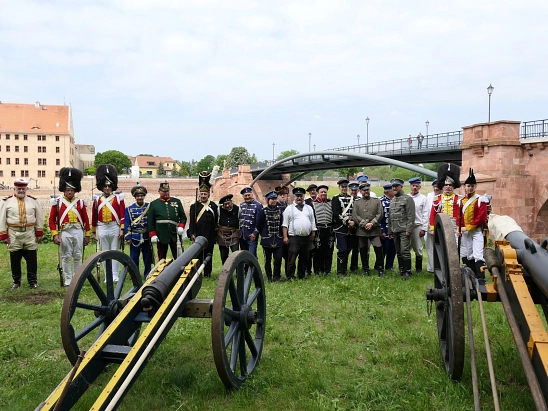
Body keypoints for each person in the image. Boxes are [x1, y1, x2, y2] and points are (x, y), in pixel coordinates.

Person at [49, 168, 90, 286]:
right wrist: (55, 234)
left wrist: (87, 235)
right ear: (64, 191)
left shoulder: (80, 202)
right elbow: (52, 220)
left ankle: (76, 278)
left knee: (77, 255)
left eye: (72, 190)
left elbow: (86, 220)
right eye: (68, 190)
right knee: (66, 255)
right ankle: (68, 278)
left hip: (78, 230)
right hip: (65, 231)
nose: (70, 192)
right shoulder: (57, 202)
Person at [0, 178, 44, 289]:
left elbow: (39, 218)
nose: (21, 191)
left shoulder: (33, 201)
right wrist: (3, 235)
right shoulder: (6, 202)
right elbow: (2, 219)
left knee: (32, 259)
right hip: (14, 234)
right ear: (14, 189)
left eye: (23, 189)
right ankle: (16, 282)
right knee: (15, 259)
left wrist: (39, 232)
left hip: (29, 234)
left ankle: (33, 281)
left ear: (26, 189)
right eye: (18, 188)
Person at [92, 165, 125, 282]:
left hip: (114, 226)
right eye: (105, 186)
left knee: (115, 251)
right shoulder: (97, 200)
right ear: (102, 187)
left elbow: (122, 215)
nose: (107, 188)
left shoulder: (118, 198)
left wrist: (122, 229)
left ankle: (115, 275)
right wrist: (93, 232)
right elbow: (94, 216)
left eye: (109, 186)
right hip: (102, 227)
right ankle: (107, 275)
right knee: (104, 252)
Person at [460, 168, 490, 284]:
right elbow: (459, 218)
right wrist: (459, 228)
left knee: (478, 253)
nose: (470, 188)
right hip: (464, 231)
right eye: (468, 186)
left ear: (475, 187)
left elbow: (481, 218)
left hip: (476, 230)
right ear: (464, 187)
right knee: (467, 253)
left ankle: (481, 278)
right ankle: (471, 276)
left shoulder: (480, 200)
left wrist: (468, 227)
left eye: (472, 186)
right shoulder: (461, 201)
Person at [187, 172, 218, 278]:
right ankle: (198, 272)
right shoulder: (194, 206)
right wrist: (191, 233)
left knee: (209, 254)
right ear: (199, 194)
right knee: (198, 255)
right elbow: (191, 221)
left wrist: (215, 235)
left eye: (205, 194)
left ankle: (207, 273)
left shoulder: (213, 206)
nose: (203, 196)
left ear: (208, 195)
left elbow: (216, 221)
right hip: (198, 233)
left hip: (210, 234)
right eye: (202, 194)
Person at [282, 187, 317, 280]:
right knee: (292, 258)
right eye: (297, 196)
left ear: (303, 196)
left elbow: (313, 221)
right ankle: (290, 276)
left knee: (304, 257)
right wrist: (285, 237)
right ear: (294, 197)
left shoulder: (309, 208)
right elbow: (285, 224)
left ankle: (301, 275)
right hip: (294, 237)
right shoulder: (289, 209)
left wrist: (313, 234)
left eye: (301, 196)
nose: (299, 198)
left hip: (306, 237)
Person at [352, 182, 385, 277]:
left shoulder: (376, 201)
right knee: (362, 249)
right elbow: (355, 215)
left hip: (374, 230)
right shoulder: (357, 202)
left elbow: (380, 213)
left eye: (367, 190)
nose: (366, 191)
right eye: (364, 190)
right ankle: (365, 269)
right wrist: (364, 224)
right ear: (360, 191)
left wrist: (372, 223)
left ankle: (381, 269)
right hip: (362, 230)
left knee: (378, 249)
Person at [148, 180, 187, 260]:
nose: (166, 193)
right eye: (163, 191)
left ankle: (179, 271)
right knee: (162, 257)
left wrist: (181, 226)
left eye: (167, 191)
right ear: (159, 191)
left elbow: (183, 217)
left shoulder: (176, 202)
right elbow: (150, 221)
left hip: (174, 233)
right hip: (161, 234)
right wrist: (153, 234)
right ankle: (162, 271)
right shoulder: (154, 204)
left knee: (178, 255)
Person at [388, 178, 415, 280]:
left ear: (401, 187)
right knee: (398, 250)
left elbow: (411, 216)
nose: (394, 188)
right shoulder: (393, 200)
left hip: (404, 229)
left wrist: (409, 229)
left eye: (396, 186)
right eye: (393, 186)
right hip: (395, 230)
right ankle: (402, 269)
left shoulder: (408, 199)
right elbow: (390, 216)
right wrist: (390, 230)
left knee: (405, 250)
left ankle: (408, 271)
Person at [124, 184, 152, 280]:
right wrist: (128, 237)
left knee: (147, 257)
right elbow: (127, 223)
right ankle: (135, 275)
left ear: (144, 196)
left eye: (141, 196)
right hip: (135, 236)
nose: (140, 197)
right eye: (138, 196)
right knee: (134, 257)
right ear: (135, 197)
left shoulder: (149, 207)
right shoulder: (129, 209)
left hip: (146, 236)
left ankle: (148, 273)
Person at [429, 163, 462, 245]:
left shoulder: (459, 199)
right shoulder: (437, 199)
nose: (448, 187)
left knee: (455, 246)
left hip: (454, 226)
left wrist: (459, 228)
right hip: (441, 225)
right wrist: (432, 228)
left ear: (454, 186)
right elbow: (433, 214)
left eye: (450, 185)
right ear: (442, 186)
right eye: (445, 185)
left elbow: (460, 215)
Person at [257, 190, 284, 282]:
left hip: (278, 239)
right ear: (267, 200)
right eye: (272, 199)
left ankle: (277, 276)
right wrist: (264, 235)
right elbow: (259, 225)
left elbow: (281, 224)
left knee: (278, 259)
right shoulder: (263, 211)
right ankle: (269, 277)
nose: (274, 200)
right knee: (267, 260)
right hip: (267, 240)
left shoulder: (280, 211)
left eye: (275, 199)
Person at [331, 179, 356, 277]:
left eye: (346, 187)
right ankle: (340, 271)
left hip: (351, 228)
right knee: (342, 249)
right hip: (341, 228)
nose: (344, 188)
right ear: (339, 188)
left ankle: (344, 269)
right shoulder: (336, 198)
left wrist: (353, 222)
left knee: (348, 249)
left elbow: (354, 211)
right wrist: (347, 221)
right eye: (342, 187)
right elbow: (336, 213)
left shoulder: (352, 198)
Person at [312, 185, 334, 275]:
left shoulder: (331, 202)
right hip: (318, 229)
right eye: (322, 192)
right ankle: (317, 270)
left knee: (329, 250)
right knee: (317, 251)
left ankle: (327, 270)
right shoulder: (313, 203)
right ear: (318, 193)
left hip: (329, 229)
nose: (323, 193)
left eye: (325, 192)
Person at [408, 177, 429, 272]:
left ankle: (418, 269)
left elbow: (425, 214)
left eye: (417, 186)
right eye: (413, 186)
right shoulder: (406, 197)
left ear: (419, 187)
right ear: (410, 186)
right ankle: (406, 268)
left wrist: (424, 228)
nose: (415, 187)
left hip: (417, 226)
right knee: (406, 248)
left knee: (418, 248)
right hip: (407, 226)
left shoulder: (423, 198)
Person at [239, 186, 263, 257]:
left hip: (251, 235)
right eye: (245, 195)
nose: (247, 197)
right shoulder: (242, 205)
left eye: (248, 195)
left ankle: (253, 268)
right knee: (244, 255)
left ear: (252, 195)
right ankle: (246, 268)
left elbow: (259, 222)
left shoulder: (258, 205)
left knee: (252, 256)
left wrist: (255, 233)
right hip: (242, 235)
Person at [217, 194, 239, 265]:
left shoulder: (238, 209)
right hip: (222, 234)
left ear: (231, 202)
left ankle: (238, 273)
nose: (227, 206)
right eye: (225, 204)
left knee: (236, 254)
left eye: (228, 203)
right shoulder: (218, 209)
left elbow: (241, 220)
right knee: (224, 255)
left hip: (234, 233)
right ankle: (226, 273)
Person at [425, 179, 442, 273]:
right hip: (429, 225)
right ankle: (432, 267)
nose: (436, 188)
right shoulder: (429, 196)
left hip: (441, 225)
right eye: (434, 187)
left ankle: (441, 266)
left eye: (438, 187)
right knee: (430, 247)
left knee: (440, 246)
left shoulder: (444, 197)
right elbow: (427, 211)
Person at [305, 184, 318, 276]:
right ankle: (308, 270)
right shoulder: (306, 202)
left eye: (314, 190)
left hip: (319, 228)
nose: (312, 192)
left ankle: (317, 270)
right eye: (311, 190)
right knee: (308, 251)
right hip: (309, 229)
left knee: (317, 251)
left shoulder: (320, 201)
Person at [348, 181, 361, 273]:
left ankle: (354, 266)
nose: (353, 192)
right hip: (347, 226)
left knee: (356, 249)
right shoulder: (346, 199)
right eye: (352, 190)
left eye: (355, 190)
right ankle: (343, 267)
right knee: (346, 248)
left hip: (358, 227)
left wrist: (355, 222)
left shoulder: (360, 200)